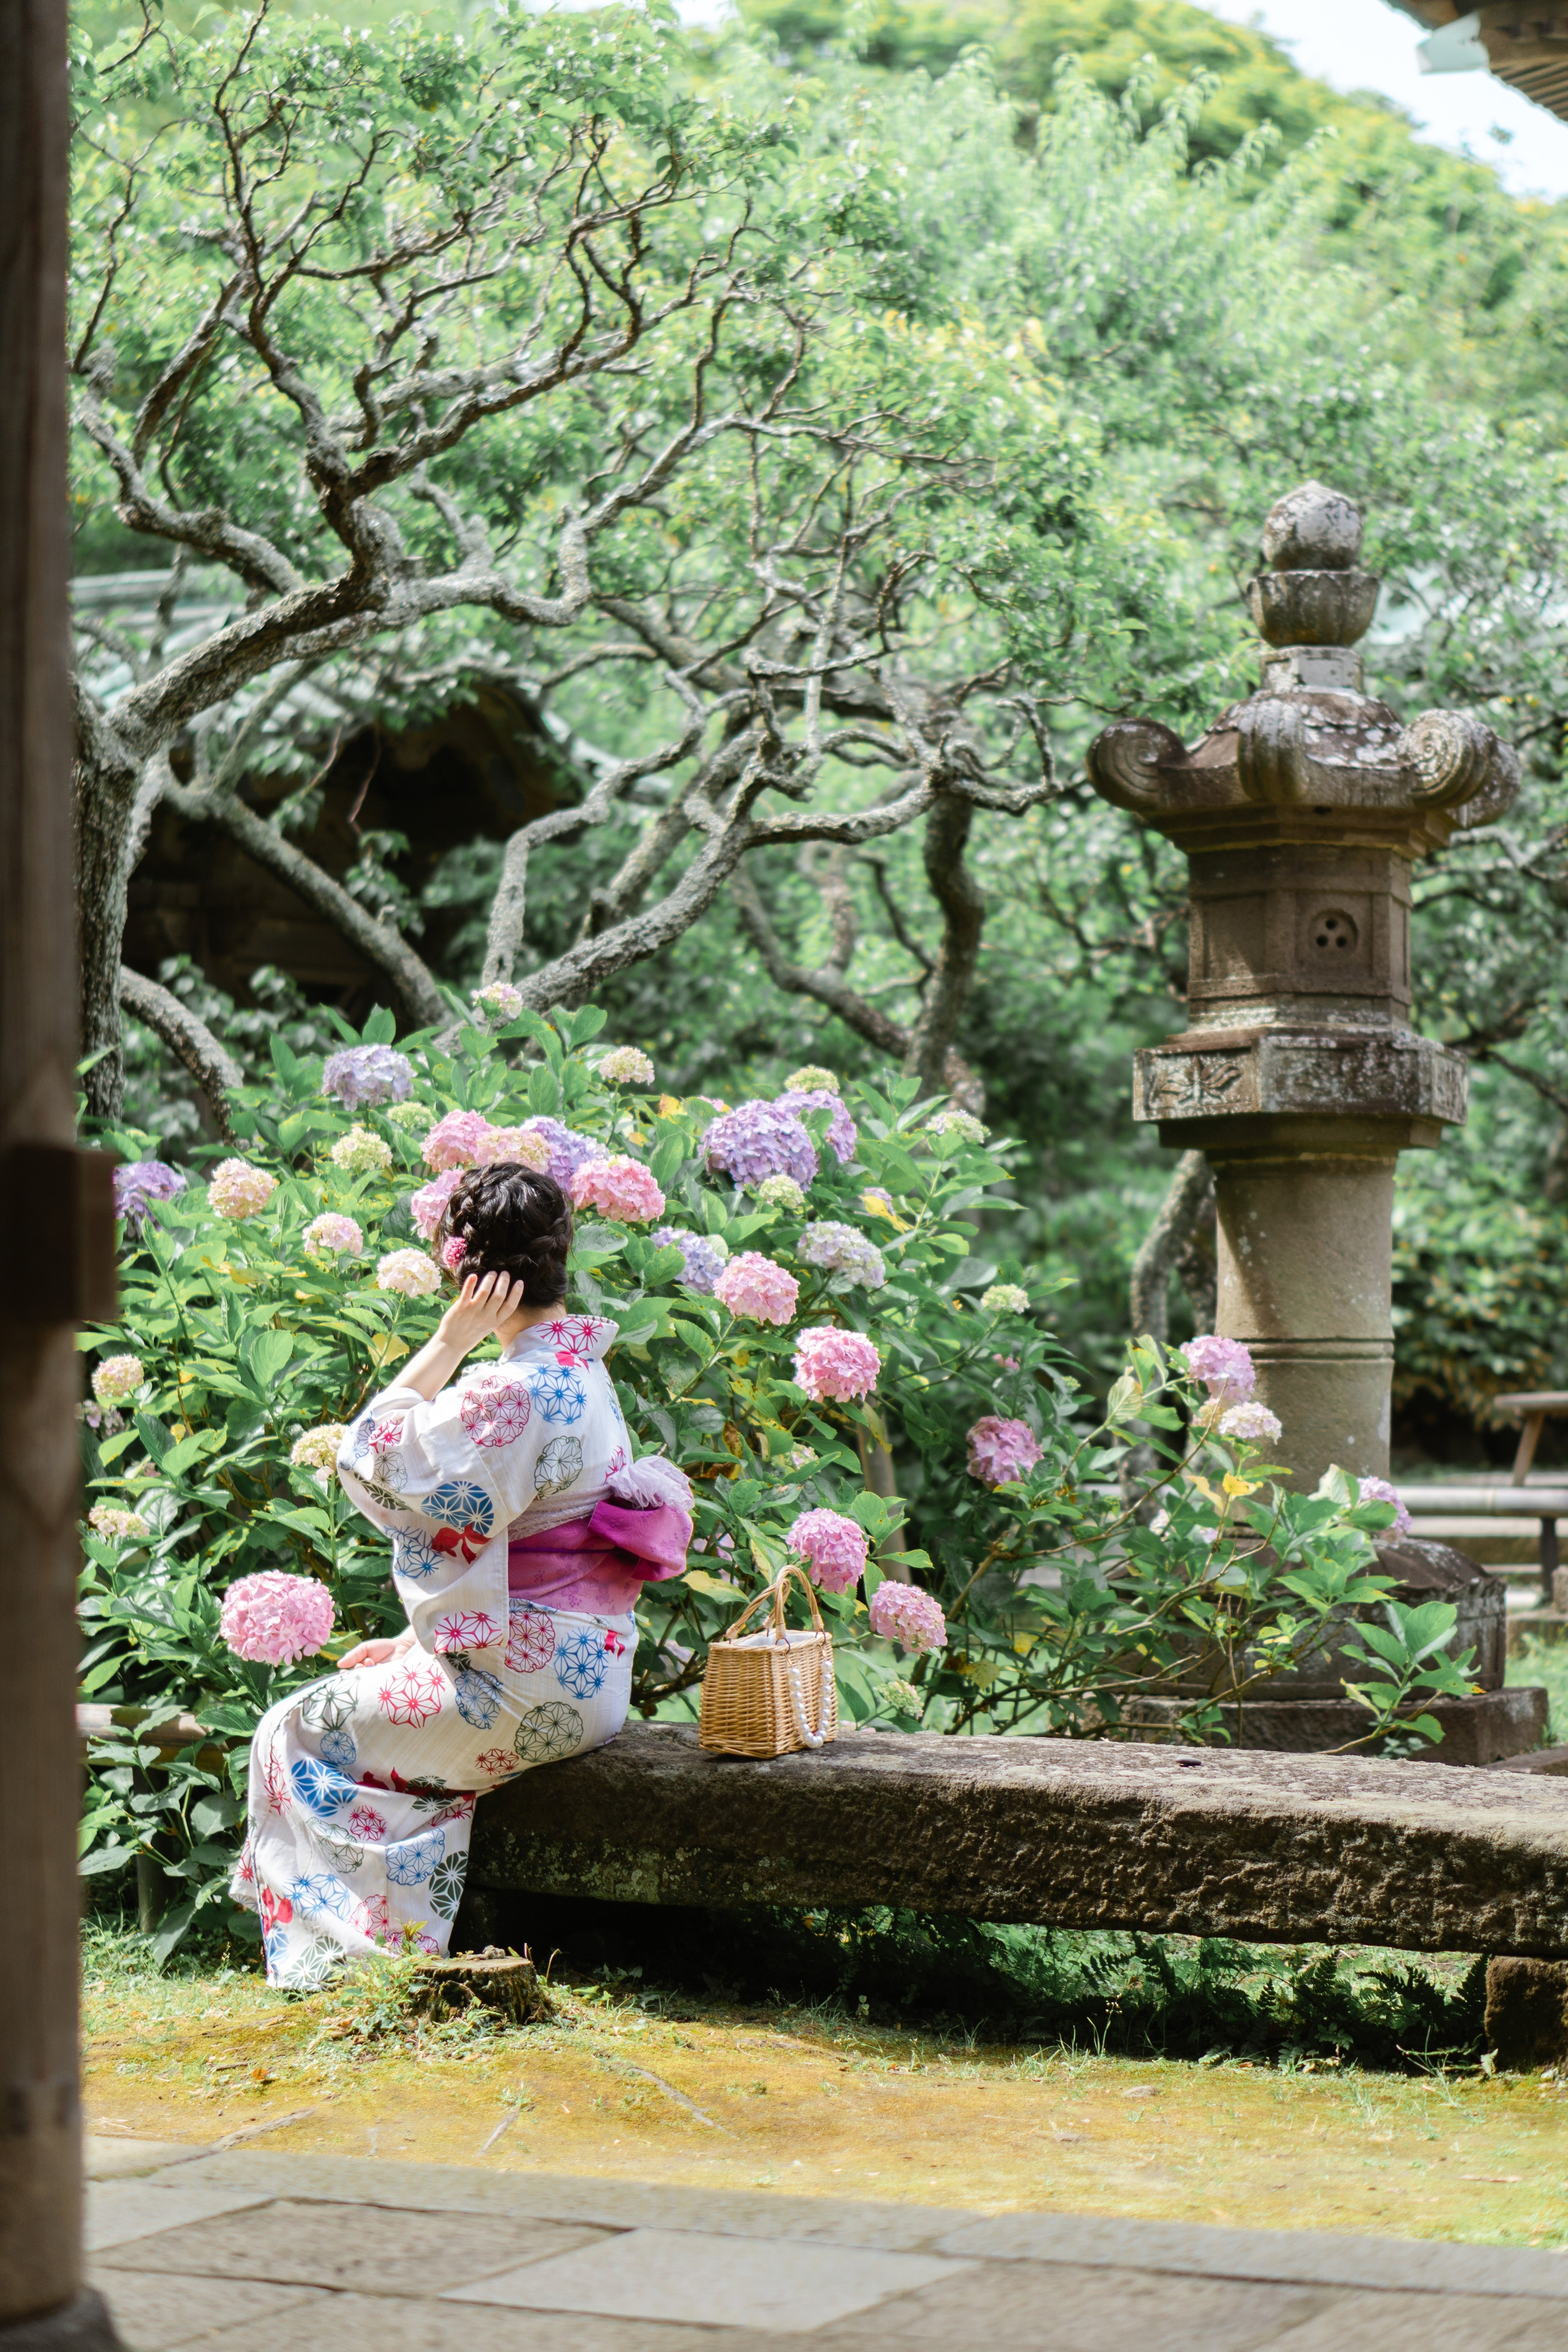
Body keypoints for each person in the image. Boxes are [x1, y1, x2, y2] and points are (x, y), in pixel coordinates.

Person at [230, 1162, 692, 1990]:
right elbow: (517, 1547)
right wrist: (417, 1645)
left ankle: (360, 1960)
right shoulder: (583, 1370)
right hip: (586, 1672)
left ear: (468, 1275)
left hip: (522, 1687)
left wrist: (449, 1341)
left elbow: (370, 1459)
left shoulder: (512, 1391)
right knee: (353, 1708)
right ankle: (387, 1935)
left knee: (293, 1729)